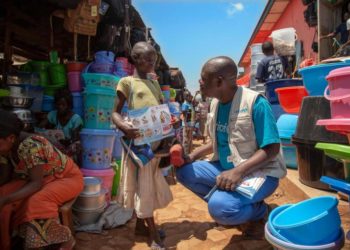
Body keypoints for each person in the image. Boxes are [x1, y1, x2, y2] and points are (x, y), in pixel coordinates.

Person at [176, 56, 287, 239]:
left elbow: (272, 148)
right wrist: (193, 155)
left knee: (220, 209)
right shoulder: (215, 104)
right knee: (184, 172)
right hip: (227, 168)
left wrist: (238, 172)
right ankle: (237, 206)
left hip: (260, 172)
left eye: (204, 78)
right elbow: (218, 141)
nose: (199, 82)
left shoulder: (255, 103)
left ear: (219, 82)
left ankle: (259, 211)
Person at [112, 41, 173, 250]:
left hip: (155, 144)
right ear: (135, 59)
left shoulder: (155, 83)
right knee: (145, 187)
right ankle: (153, 234)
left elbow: (160, 110)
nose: (151, 62)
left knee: (147, 184)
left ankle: (141, 226)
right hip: (138, 144)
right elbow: (115, 113)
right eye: (146, 58)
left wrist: (169, 127)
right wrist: (124, 127)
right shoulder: (126, 82)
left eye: (153, 59)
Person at [0, 110, 84, 250]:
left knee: (36, 202)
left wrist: (6, 200)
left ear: (11, 138)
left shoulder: (32, 146)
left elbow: (36, 184)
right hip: (40, 178)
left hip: (66, 178)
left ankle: (63, 240)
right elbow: (6, 178)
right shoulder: (7, 148)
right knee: (3, 192)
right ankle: (9, 240)